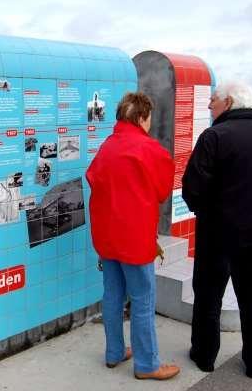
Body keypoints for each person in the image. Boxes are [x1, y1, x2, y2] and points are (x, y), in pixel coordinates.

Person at [182, 80, 252, 379]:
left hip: (217, 234)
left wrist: (205, 210)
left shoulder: (213, 137)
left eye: (214, 100)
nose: (209, 105)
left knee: (208, 296)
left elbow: (192, 187)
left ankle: (205, 356)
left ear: (229, 102)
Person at [86, 92, 180, 380]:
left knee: (113, 294)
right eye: (149, 117)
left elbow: (93, 179)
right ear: (141, 117)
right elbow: (163, 190)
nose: (150, 123)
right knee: (142, 298)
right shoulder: (150, 150)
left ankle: (114, 352)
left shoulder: (106, 147)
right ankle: (148, 364)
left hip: (106, 237)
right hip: (135, 239)